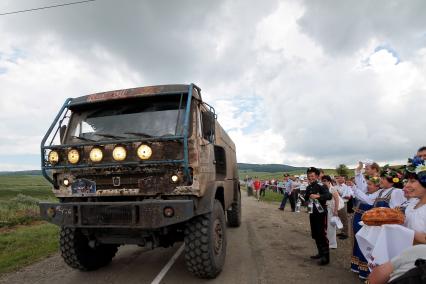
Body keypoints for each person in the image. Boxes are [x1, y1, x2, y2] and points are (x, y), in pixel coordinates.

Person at [351, 163, 381, 280]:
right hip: (361, 213)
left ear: (374, 169)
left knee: (365, 241)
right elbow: (363, 187)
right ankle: (359, 267)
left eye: (367, 168)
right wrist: (358, 172)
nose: (366, 170)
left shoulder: (378, 181)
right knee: (359, 240)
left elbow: (367, 199)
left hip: (368, 215)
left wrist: (355, 189)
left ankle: (366, 270)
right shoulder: (372, 180)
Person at [304, 167, 332, 265]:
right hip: (312, 212)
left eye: (312, 176)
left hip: (321, 213)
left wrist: (318, 196)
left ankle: (326, 258)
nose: (310, 178)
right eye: (309, 176)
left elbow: (329, 196)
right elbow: (306, 198)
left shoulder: (321, 185)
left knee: (322, 234)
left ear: (316, 176)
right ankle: (320, 253)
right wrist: (303, 199)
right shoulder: (308, 187)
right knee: (315, 234)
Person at [402, 156, 426, 244]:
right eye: (407, 181)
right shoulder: (413, 203)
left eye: (412, 181)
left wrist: (400, 229)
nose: (406, 185)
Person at [321, 175, 340, 249]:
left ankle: (332, 243)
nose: (324, 182)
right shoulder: (322, 189)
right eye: (322, 181)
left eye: (325, 181)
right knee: (325, 226)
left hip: (331, 210)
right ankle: (326, 240)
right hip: (324, 209)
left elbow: (337, 200)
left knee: (331, 227)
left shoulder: (333, 189)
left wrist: (336, 210)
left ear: (329, 181)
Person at [335, 175, 352, 240]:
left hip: (343, 204)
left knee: (344, 219)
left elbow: (349, 197)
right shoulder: (336, 186)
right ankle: (342, 232)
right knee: (339, 219)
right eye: (339, 178)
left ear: (344, 179)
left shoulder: (347, 187)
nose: (339, 179)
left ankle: (346, 234)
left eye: (341, 178)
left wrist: (340, 194)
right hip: (337, 204)